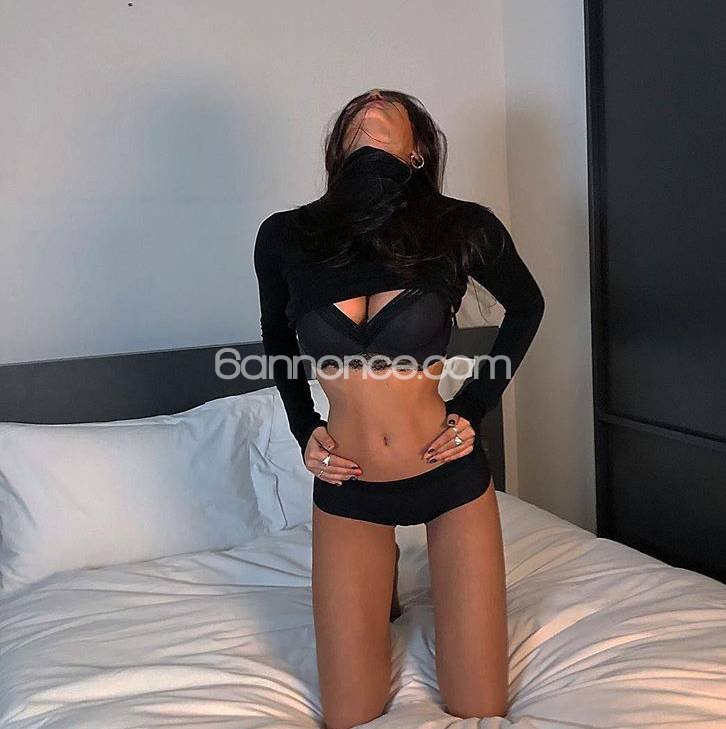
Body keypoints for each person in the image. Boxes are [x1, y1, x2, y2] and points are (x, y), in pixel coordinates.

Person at [253, 88, 545, 729]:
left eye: (394, 110)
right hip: (350, 488)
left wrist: (474, 406)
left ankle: (395, 580)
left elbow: (528, 306)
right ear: (338, 150)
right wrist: (304, 427)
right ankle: (382, 575)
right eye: (359, 111)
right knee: (350, 716)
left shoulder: (458, 226)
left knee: (479, 710)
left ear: (418, 153)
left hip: (448, 479)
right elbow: (276, 336)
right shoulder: (286, 236)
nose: (376, 99)